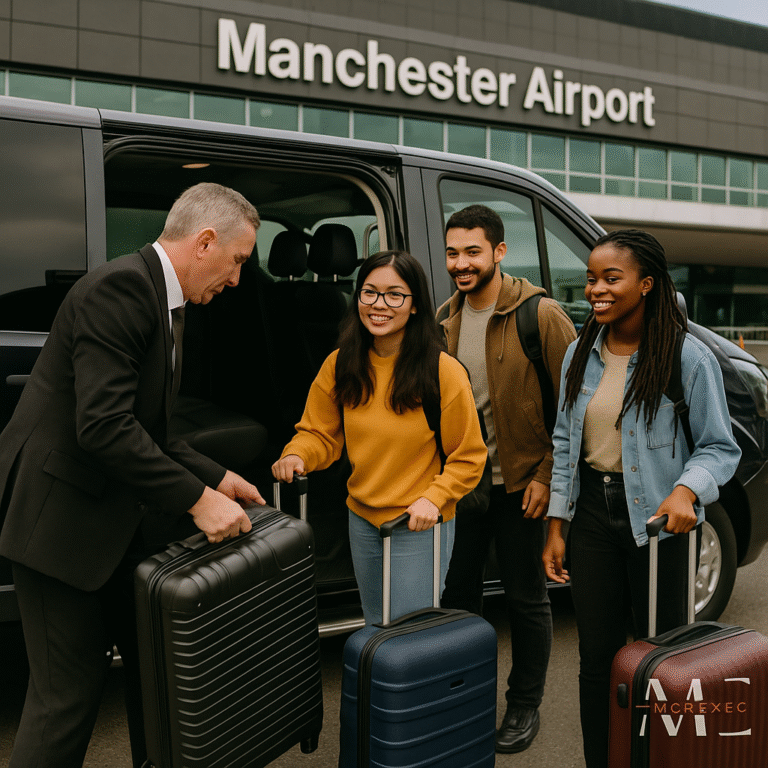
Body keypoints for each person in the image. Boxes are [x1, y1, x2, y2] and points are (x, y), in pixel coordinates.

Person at [0, 182, 267, 768]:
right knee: (65, 698)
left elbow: (156, 431)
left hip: (110, 521)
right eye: (239, 261)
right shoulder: (122, 289)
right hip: (58, 527)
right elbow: (104, 426)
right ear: (204, 242)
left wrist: (218, 478)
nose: (237, 279)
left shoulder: (163, 298)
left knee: (157, 673)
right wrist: (198, 501)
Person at [542, 229, 741, 768]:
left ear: (646, 285)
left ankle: (657, 759)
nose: (596, 289)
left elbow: (721, 448)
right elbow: (565, 443)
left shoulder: (688, 357)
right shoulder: (580, 354)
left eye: (611, 278)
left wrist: (685, 490)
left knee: (661, 658)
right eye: (590, 278)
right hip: (590, 520)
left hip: (659, 524)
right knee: (597, 660)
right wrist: (557, 526)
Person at [272, 250, 486, 624]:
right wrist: (297, 455)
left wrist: (434, 500)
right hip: (362, 518)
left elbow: (468, 456)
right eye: (369, 293)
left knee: (408, 637)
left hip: (417, 522)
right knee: (376, 626)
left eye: (394, 295)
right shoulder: (341, 364)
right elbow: (319, 433)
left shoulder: (443, 371)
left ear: (415, 305)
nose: (379, 305)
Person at [438, 204, 576, 754]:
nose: (461, 263)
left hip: (523, 486)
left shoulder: (540, 315)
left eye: (473, 251)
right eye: (452, 252)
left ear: (498, 251)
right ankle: (466, 698)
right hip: (465, 487)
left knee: (525, 599)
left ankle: (524, 705)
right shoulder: (444, 318)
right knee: (459, 599)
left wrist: (548, 475)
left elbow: (573, 406)